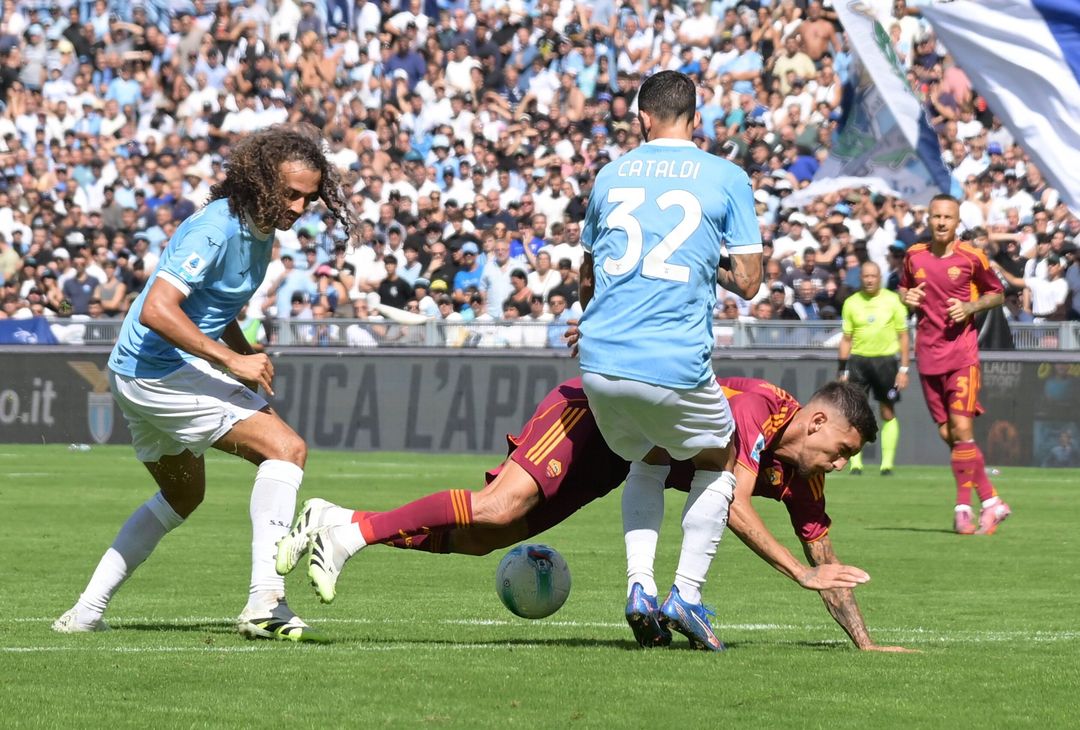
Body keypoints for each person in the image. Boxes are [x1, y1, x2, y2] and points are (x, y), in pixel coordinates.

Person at [276, 377, 898, 651]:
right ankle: (352, 534)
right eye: (841, 449)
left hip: (617, 461)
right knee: (496, 507)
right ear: (817, 421)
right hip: (591, 415)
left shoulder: (804, 476)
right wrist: (799, 573)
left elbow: (827, 559)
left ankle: (336, 518)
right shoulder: (756, 407)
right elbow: (733, 506)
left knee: (486, 538)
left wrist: (864, 642)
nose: (842, 464)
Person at [53, 126, 357, 642]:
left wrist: (241, 350)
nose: (300, 206)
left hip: (133, 372)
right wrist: (231, 361)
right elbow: (156, 309)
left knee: (182, 495)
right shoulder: (216, 229)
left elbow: (212, 304)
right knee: (286, 449)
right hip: (159, 373)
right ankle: (265, 601)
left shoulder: (259, 228)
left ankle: (84, 613)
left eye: (309, 197)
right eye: (291, 193)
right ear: (262, 181)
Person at [575, 71, 764, 650]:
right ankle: (687, 592)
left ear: (642, 119)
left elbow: (586, 279)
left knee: (650, 456)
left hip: (599, 361)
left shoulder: (610, 174)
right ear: (696, 119)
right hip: (673, 362)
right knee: (720, 455)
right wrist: (710, 264)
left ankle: (640, 586)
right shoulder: (726, 176)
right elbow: (749, 282)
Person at [900, 194, 1010, 535]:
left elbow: (997, 293)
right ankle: (992, 501)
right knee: (949, 434)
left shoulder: (971, 257)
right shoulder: (914, 255)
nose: (941, 222)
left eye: (948, 217)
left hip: (962, 355)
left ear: (957, 222)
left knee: (962, 429)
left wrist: (970, 307)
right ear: (929, 219)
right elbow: (904, 289)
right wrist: (907, 297)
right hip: (927, 355)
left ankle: (963, 508)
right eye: (936, 216)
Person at [838, 261, 910, 475]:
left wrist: (904, 369)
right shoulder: (851, 303)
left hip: (885, 362)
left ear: (880, 278)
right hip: (859, 362)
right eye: (866, 276)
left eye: (873, 276)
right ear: (861, 278)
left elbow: (904, 336)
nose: (869, 280)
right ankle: (856, 464)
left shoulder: (893, 300)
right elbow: (846, 338)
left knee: (887, 410)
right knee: (855, 414)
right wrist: (842, 370)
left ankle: (886, 464)